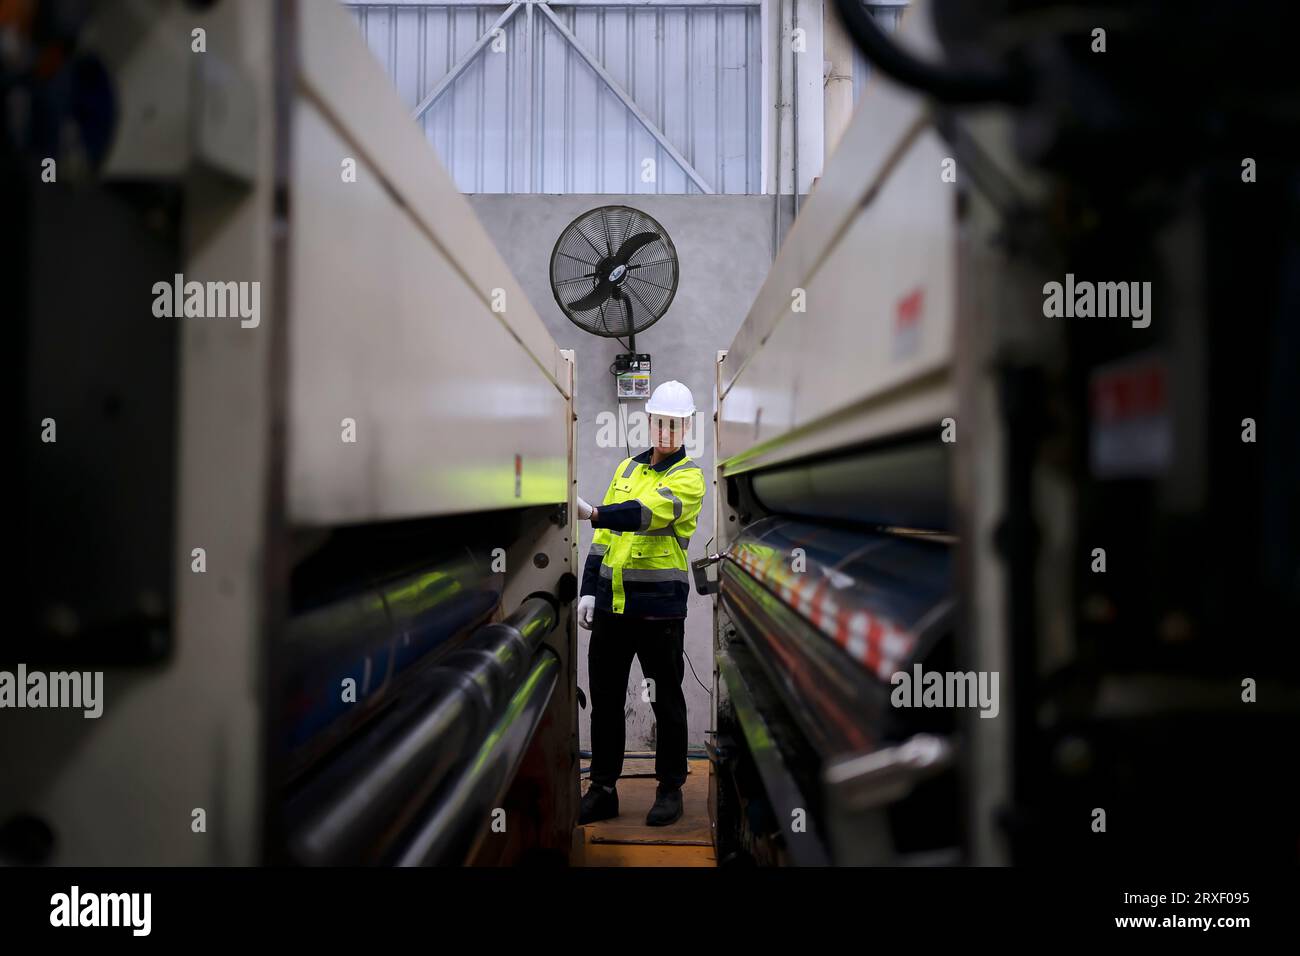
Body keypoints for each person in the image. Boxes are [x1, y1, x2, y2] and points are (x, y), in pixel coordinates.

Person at [573, 380, 705, 827]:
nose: (667, 431)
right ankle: (603, 788)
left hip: (659, 611)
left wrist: (594, 511)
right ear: (649, 422)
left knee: (665, 700)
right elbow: (604, 538)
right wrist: (589, 589)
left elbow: (642, 514)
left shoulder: (688, 478)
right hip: (613, 608)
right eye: (660, 422)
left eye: (676, 424)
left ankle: (670, 790)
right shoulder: (626, 469)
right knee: (606, 698)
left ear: (686, 427)